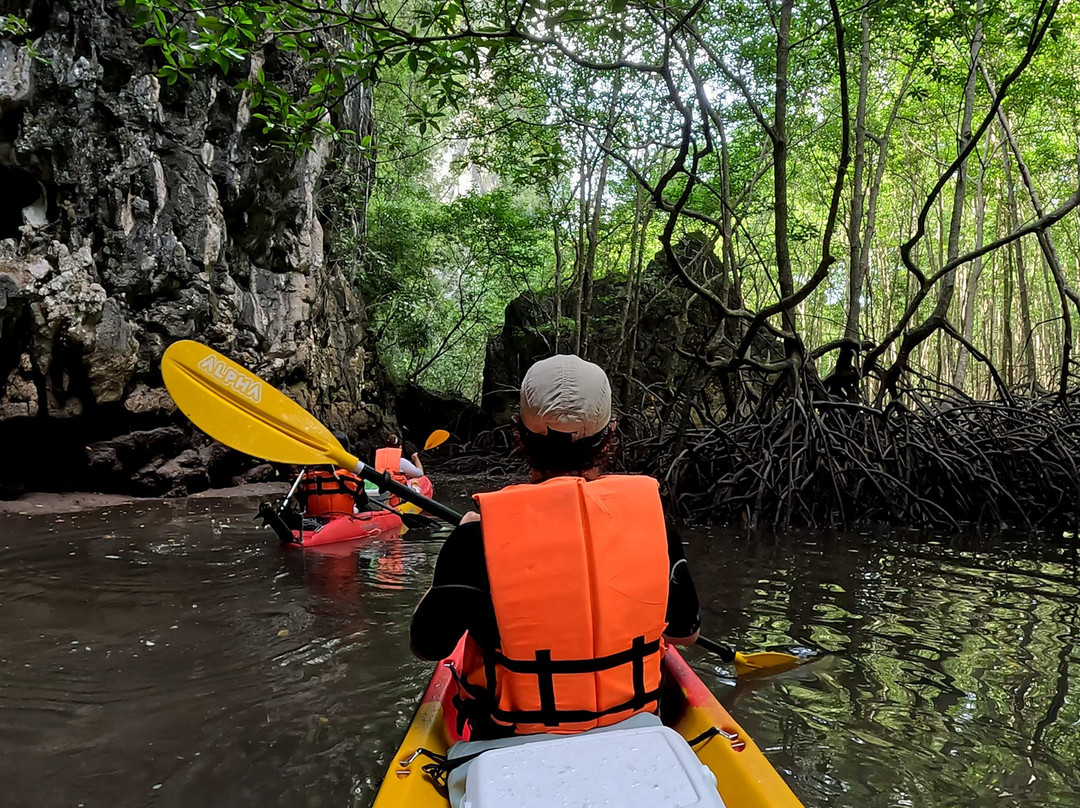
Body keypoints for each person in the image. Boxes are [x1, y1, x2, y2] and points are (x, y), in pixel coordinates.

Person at [410, 354, 700, 744]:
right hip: (636, 735)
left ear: (520, 436)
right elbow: (685, 635)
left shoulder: (476, 538)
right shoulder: (653, 521)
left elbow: (427, 646)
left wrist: (460, 545)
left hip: (508, 743)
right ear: (609, 436)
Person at [298, 430, 367, 516]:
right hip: (343, 523)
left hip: (315, 524)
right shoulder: (353, 480)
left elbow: (301, 500)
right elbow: (363, 502)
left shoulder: (307, 478)